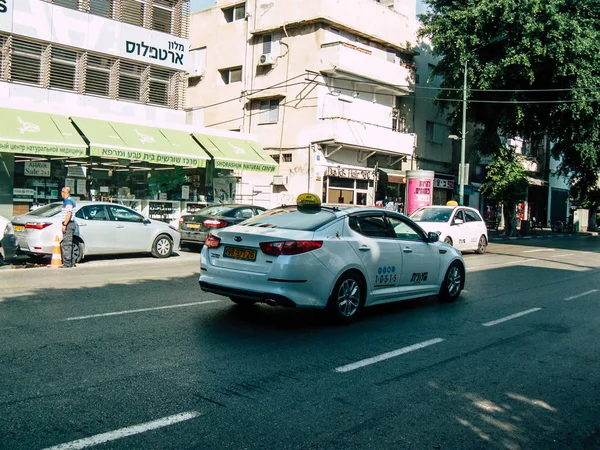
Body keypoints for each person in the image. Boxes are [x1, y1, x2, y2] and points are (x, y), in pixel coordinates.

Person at [60, 187, 76, 268]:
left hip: (69, 224)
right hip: (70, 224)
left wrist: (64, 224)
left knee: (67, 244)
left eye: (62, 192)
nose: (61, 194)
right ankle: (71, 262)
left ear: (64, 192)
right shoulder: (69, 200)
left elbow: (69, 213)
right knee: (69, 244)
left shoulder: (68, 201)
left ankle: (67, 263)